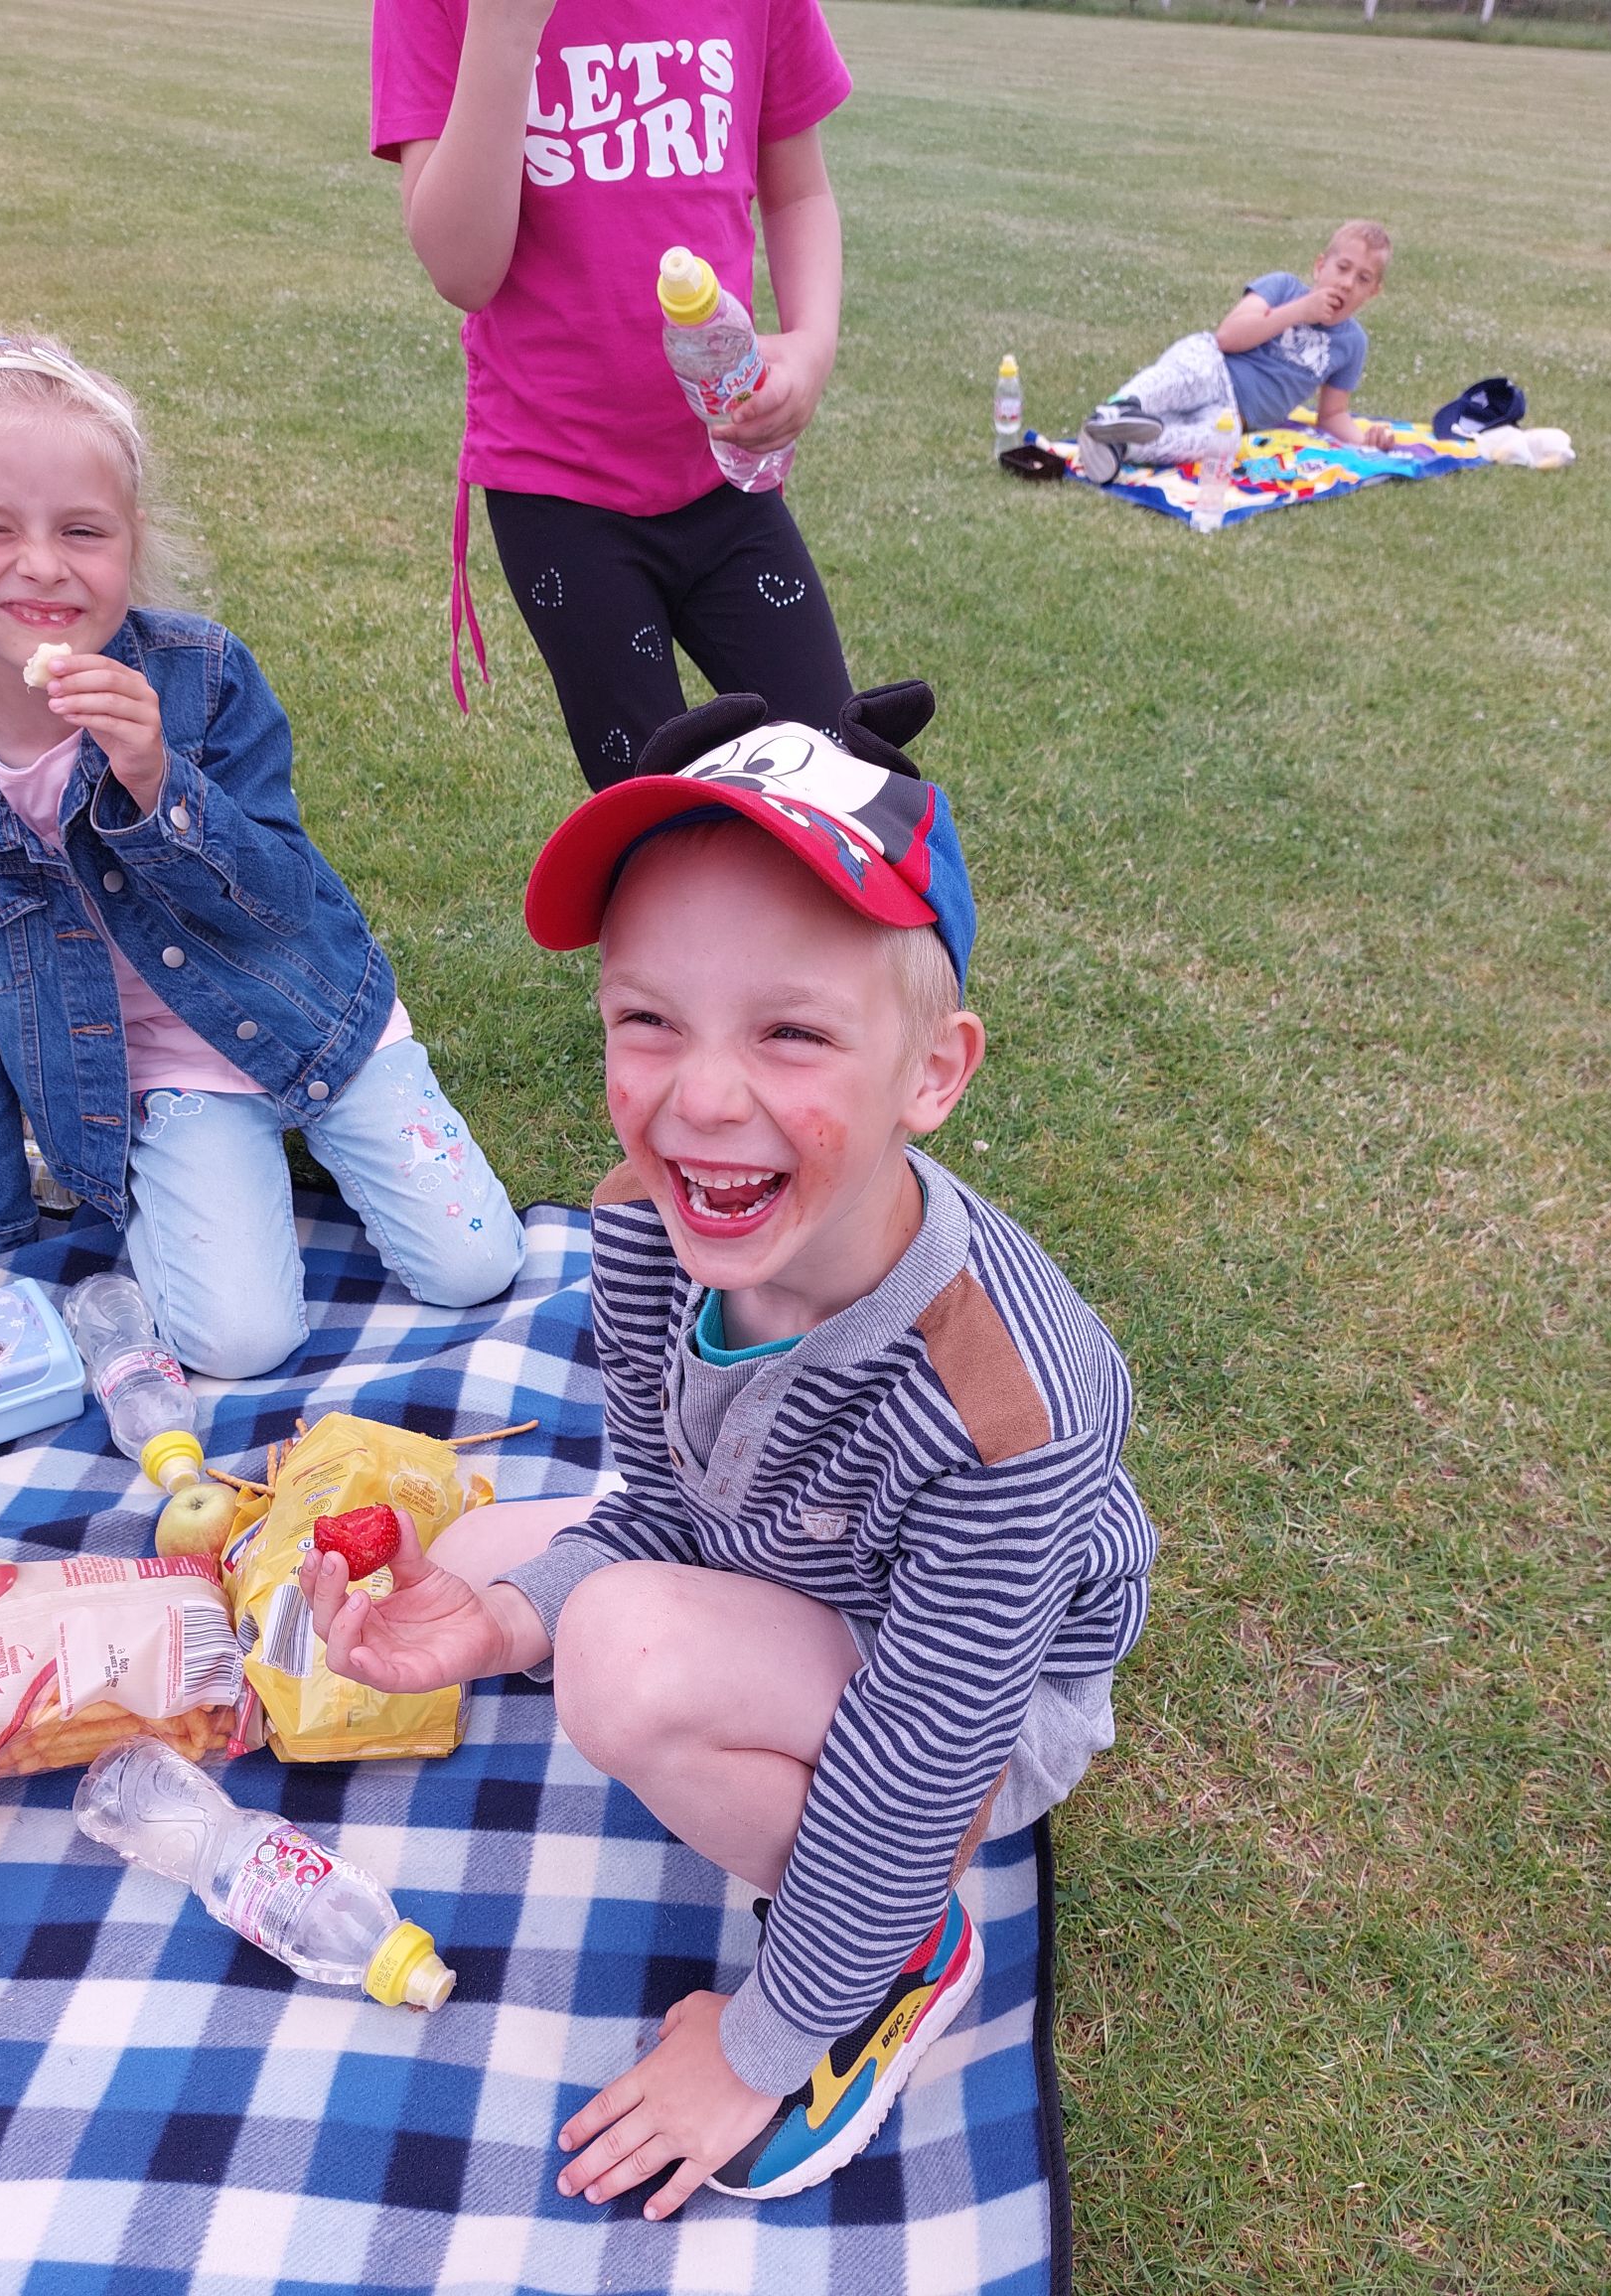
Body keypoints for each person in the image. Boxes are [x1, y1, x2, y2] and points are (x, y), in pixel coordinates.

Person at [300, 682, 1157, 2214]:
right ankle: (587, 1644)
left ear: (933, 1073)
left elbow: (913, 1763)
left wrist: (764, 2042)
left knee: (621, 1659)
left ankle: (899, 1959)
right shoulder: (649, 1220)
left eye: (792, 1032)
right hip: (801, 1571)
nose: (700, 1099)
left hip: (986, 1710)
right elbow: (663, 1505)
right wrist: (501, 1626)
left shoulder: (1002, 1409)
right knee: (490, 1566)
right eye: (648, 1019)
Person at [0, 323, 525, 1375]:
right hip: (155, 1073)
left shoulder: (201, 677)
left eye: (83, 530)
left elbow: (283, 897)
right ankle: (198, 1173)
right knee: (239, 1345)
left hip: (310, 1013)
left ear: (132, 539)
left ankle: (341, 1120)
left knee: (476, 1267)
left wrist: (157, 783)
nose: (43, 564)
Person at [370, 0, 856, 790]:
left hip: (725, 474)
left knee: (839, 776)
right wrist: (506, 28)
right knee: (654, 821)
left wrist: (810, 345)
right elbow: (464, 271)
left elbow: (799, 193)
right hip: (560, 496)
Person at [1078, 220, 1396, 483]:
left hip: (1232, 417)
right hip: (1214, 366)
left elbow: (1332, 415)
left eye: (1363, 279)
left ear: (1373, 292)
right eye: (1342, 268)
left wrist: (1365, 440)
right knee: (1183, 378)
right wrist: (1300, 311)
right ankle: (1119, 409)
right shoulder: (1283, 287)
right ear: (1319, 266)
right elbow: (1228, 337)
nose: (1347, 284)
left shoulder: (1352, 342)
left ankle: (1118, 446)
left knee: (1219, 443)